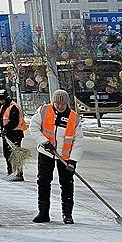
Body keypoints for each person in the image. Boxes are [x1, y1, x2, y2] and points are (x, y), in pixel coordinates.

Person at [28, 89, 84, 224]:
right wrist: (44, 142)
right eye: (57, 103)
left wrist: (73, 160)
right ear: (53, 102)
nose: (59, 106)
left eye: (62, 104)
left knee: (67, 185)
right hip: (46, 153)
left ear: (67, 104)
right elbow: (33, 127)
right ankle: (43, 213)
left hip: (65, 157)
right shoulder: (44, 111)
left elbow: (78, 141)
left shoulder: (74, 118)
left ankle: (67, 214)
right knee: (43, 182)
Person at [0, 90, 28, 181]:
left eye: (2, 100)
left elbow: (14, 122)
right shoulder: (4, 106)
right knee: (7, 154)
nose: (1, 102)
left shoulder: (13, 107)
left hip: (15, 134)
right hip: (7, 134)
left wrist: (6, 129)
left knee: (15, 155)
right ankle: (11, 172)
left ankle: (18, 173)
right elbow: (5, 120)